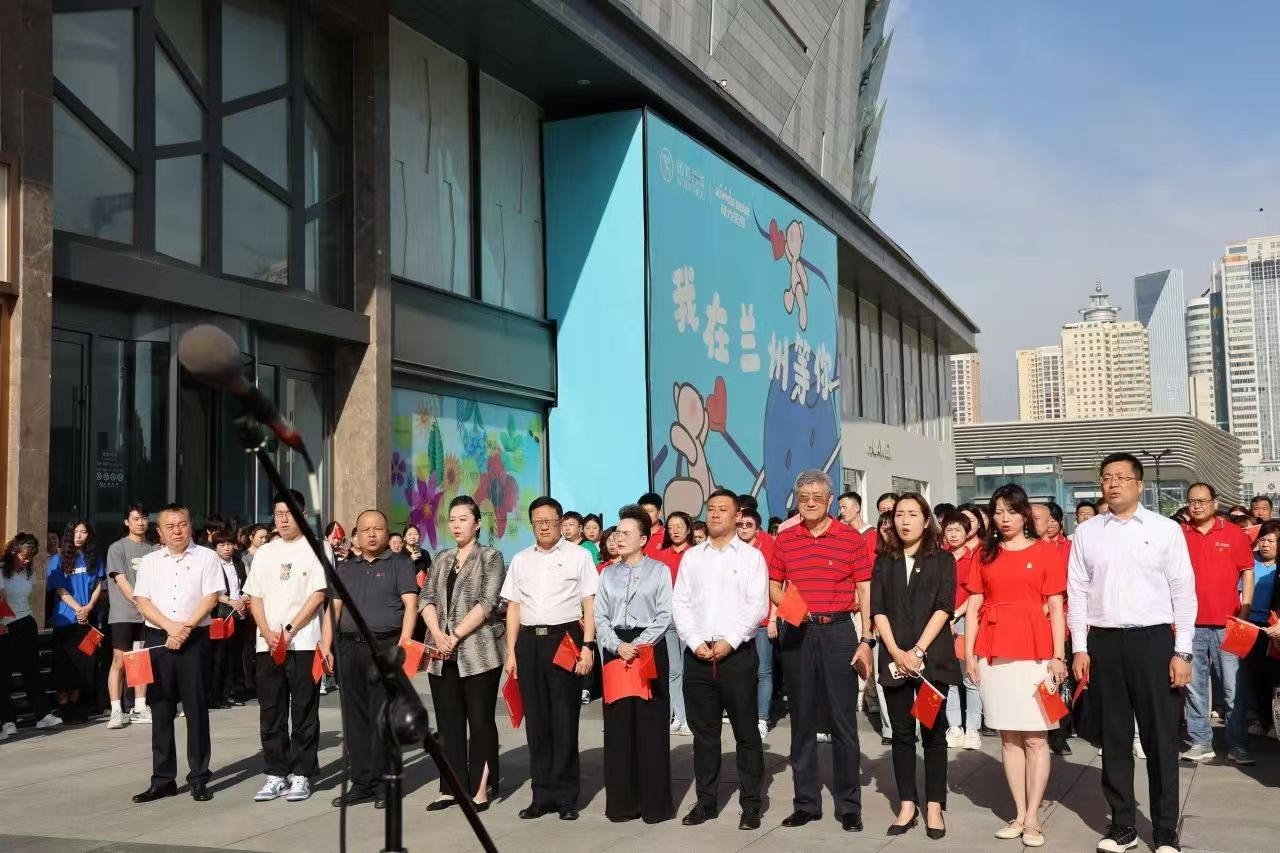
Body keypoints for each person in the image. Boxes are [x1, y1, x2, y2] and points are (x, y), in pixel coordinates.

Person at [1069, 453, 1195, 853]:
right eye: (1107, 477)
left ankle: (1164, 831)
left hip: (1154, 642)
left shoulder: (1165, 530)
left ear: (1140, 485)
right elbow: (1077, 592)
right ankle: (1122, 824)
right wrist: (1079, 646)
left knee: (1160, 738)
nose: (1114, 483)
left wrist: (1183, 651)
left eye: (1122, 477)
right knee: (1114, 738)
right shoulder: (1087, 532)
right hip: (1104, 643)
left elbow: (1183, 591)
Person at [770, 470, 874, 833]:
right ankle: (806, 803)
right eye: (804, 497)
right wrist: (792, 609)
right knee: (801, 719)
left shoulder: (850, 538)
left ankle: (849, 806)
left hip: (839, 632)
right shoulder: (786, 538)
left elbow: (865, 590)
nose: (810, 502)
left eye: (818, 496)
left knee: (843, 720)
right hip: (798, 634)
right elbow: (774, 585)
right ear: (797, 500)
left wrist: (867, 640)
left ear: (831, 500)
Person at [964, 483, 1067, 848]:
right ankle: (1019, 814)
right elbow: (973, 606)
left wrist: (1059, 655)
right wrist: (970, 654)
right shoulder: (984, 553)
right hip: (994, 653)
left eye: (1011, 511)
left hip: (1037, 654)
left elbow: (1056, 606)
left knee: (1036, 737)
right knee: (1009, 738)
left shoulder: (1046, 552)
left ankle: (1034, 818)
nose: (1004, 518)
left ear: (1025, 515)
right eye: (998, 511)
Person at [672, 488, 768, 830]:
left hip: (736, 656)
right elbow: (680, 602)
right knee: (705, 736)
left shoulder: (751, 557)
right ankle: (706, 801)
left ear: (737, 515)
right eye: (710, 508)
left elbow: (757, 605)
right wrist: (694, 641)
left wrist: (730, 641)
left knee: (746, 734)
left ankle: (751, 804)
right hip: (698, 655)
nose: (714, 514)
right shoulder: (692, 557)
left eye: (722, 509)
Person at [501, 496, 598, 821]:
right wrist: (511, 652)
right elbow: (513, 608)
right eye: (538, 521)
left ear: (560, 522)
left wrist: (588, 645)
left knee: (564, 719)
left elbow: (589, 603)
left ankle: (567, 797)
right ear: (532, 524)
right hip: (529, 643)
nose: (544, 526)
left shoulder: (579, 556)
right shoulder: (520, 560)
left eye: (549, 520)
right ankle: (541, 795)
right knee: (537, 722)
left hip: (565, 639)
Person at [871, 494, 957, 839]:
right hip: (896, 662)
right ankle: (907, 803)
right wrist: (896, 652)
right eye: (899, 515)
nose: (905, 521)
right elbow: (878, 609)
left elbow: (944, 606)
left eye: (912, 514)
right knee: (902, 734)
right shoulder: (885, 561)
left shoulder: (942, 559)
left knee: (932, 733)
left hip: (929, 664)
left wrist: (918, 650)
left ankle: (934, 805)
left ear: (926, 519)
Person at [241, 490, 331, 803]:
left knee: (304, 709)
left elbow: (318, 595)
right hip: (268, 644)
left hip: (303, 642)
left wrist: (289, 631)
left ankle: (301, 774)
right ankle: (276, 774)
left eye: (290, 513)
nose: (283, 519)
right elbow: (255, 596)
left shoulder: (318, 547)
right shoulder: (265, 552)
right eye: (279, 513)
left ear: (302, 516)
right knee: (271, 711)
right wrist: (267, 632)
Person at [131, 504, 223, 803]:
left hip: (194, 639)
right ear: (159, 531)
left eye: (182, 524)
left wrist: (184, 629)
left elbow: (210, 599)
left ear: (190, 525)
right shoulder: (150, 561)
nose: (177, 531)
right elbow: (143, 602)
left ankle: (199, 777)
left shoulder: (207, 557)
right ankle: (163, 779)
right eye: (170, 526)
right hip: (160, 639)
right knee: (161, 710)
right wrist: (171, 628)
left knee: (196, 710)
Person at [420, 496, 507, 812]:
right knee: (448, 721)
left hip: (479, 652)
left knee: (480, 720)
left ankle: (481, 788)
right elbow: (426, 598)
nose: (456, 525)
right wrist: (438, 634)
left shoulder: (490, 557)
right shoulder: (442, 558)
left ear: (477, 523)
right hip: (441, 652)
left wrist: (455, 636)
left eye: (463, 519)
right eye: (452, 519)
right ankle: (451, 787)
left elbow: (488, 602)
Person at [330, 509, 418, 808]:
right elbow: (334, 609)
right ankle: (362, 782)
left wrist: (404, 644)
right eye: (365, 529)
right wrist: (327, 645)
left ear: (385, 531)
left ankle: (385, 785)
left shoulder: (399, 563)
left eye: (377, 528)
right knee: (355, 718)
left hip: (384, 646)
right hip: (349, 648)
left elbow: (411, 605)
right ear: (356, 534)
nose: (371, 534)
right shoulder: (345, 567)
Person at [594, 504, 674, 823]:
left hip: (648, 649)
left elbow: (664, 615)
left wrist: (639, 645)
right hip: (616, 650)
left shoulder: (659, 571)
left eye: (627, 533)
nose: (620, 537)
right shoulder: (607, 574)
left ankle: (654, 805)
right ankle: (622, 804)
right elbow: (600, 617)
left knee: (650, 727)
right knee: (618, 728)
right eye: (618, 532)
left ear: (643, 539)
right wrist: (617, 645)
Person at [1179, 482, 1255, 764]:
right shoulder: (1179, 534)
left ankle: (1238, 744)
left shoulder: (1234, 534)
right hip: (1190, 624)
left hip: (1229, 624)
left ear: (1215, 502)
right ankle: (1201, 741)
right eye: (1192, 501)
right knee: (1194, 687)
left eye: (1202, 501)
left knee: (1233, 688)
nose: (1196, 506)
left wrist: (1245, 611)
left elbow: (1247, 572)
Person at [0, 533, 63, 736]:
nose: (27, 560)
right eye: (24, 556)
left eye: (30, 557)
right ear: (14, 551)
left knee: (32, 671)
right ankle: (8, 720)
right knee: (4, 675)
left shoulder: (29, 572)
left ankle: (42, 715)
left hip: (26, 623)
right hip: (6, 626)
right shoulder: (2, 571)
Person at [46, 520, 105, 717]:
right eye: (75, 532)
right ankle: (64, 705)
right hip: (66, 620)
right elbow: (60, 589)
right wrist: (79, 608)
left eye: (83, 532)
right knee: (64, 664)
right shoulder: (59, 558)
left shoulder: (94, 558)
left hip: (88, 620)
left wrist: (89, 607)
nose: (79, 536)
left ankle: (76, 703)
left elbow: (98, 584)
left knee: (84, 663)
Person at [1230, 519, 1280, 747]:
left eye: (1271, 541)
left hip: (1273, 629)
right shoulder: (1250, 563)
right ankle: (1259, 719)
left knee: (1273, 676)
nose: (1265, 545)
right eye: (1263, 540)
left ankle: (1274, 722)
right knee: (1251, 675)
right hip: (1250, 626)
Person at [105, 505, 155, 728]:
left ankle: (140, 706)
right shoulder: (117, 548)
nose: (140, 522)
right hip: (123, 614)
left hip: (147, 615)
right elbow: (122, 581)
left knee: (141, 659)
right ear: (127, 522)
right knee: (120, 660)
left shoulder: (153, 549)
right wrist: (139, 603)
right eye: (135, 518)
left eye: (143, 518)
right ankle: (116, 710)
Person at [940, 510, 983, 750]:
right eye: (949, 530)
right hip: (941, 621)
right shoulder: (939, 557)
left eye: (958, 530)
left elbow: (976, 594)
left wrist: (955, 614)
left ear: (968, 532)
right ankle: (955, 726)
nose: (954, 534)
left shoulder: (976, 557)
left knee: (970, 676)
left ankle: (973, 728)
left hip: (967, 619)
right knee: (950, 678)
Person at [736, 508, 777, 738]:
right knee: (742, 672)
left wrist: (773, 618)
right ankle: (745, 715)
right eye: (740, 525)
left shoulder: (768, 546)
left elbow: (776, 584)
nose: (743, 529)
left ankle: (762, 718)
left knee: (764, 671)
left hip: (762, 621)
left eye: (748, 525)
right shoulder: (732, 548)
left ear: (757, 528)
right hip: (737, 622)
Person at [656, 510, 694, 731]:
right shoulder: (661, 556)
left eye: (679, 526)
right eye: (671, 527)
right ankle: (678, 716)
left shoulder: (696, 554)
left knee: (690, 669)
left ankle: (691, 717)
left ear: (688, 529)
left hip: (690, 619)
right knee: (674, 670)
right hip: (668, 619)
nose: (675, 531)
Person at [209, 529, 248, 709]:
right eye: (222, 544)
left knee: (234, 656)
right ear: (215, 547)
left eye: (229, 544)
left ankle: (229, 692)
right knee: (218, 657)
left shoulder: (238, 563)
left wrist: (242, 600)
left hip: (238, 614)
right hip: (220, 615)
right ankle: (215, 695)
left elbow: (246, 585)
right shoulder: (212, 565)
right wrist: (232, 602)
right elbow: (214, 592)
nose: (226, 548)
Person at [638, 493, 666, 558]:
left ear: (659, 513)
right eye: (643, 512)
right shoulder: (636, 535)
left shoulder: (667, 536)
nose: (646, 515)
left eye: (650, 511)